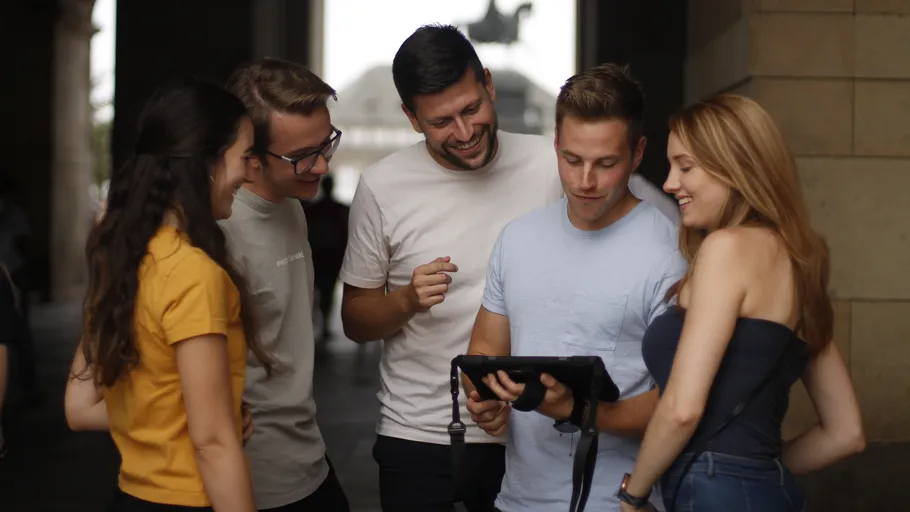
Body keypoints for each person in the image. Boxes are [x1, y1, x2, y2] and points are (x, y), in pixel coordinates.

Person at [618, 94, 866, 512]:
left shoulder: (726, 248)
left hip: (713, 493)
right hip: (771, 492)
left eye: (686, 166)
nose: (668, 183)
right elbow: (846, 433)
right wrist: (755, 468)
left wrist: (633, 495)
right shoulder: (798, 260)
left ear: (734, 167)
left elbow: (682, 409)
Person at [462, 63, 685, 512]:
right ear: (557, 145)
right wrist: (483, 400)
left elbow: (679, 402)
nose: (585, 182)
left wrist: (577, 410)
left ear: (638, 153)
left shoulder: (670, 255)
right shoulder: (518, 237)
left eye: (606, 164)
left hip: (619, 502)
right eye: (572, 160)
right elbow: (485, 349)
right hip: (517, 499)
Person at [63, 76, 266, 511]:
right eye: (245, 156)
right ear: (207, 163)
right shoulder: (193, 274)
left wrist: (185, 418)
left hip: (132, 495)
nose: (252, 173)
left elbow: (79, 408)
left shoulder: (127, 257)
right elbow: (212, 444)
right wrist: (215, 423)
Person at [222, 57, 350, 512]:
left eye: (327, 143)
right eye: (300, 157)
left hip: (307, 459)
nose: (320, 167)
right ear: (248, 158)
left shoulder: (292, 202)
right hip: (256, 482)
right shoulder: (215, 232)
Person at [301, 174, 350, 341]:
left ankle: (316, 323)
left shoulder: (313, 210)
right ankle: (323, 325)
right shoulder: (340, 210)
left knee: (313, 292)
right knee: (326, 294)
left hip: (317, 257)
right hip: (329, 258)